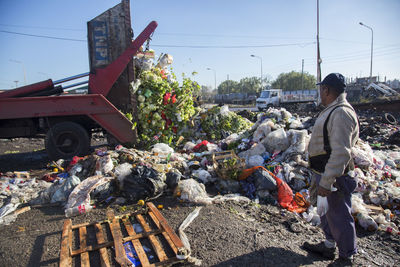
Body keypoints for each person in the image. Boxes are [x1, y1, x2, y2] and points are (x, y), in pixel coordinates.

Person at [303, 73, 359, 264]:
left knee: (339, 215)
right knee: (326, 212)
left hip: (335, 176)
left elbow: (341, 153)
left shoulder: (341, 113)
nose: (320, 93)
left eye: (321, 89)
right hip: (323, 172)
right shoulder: (332, 109)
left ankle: (346, 256)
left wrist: (327, 181)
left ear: (326, 89)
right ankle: (328, 246)